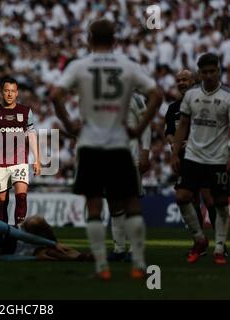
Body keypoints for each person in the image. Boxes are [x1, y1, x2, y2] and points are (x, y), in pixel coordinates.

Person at [50, 19, 163, 280]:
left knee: (94, 206)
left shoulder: (80, 66)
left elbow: (55, 94)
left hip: (90, 145)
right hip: (119, 145)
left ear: (89, 40)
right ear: (114, 40)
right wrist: (139, 128)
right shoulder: (127, 65)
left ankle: (102, 267)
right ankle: (137, 263)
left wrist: (70, 124)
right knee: (131, 202)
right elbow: (156, 94)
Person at [171, 53, 230, 265]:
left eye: (212, 71)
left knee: (221, 203)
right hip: (193, 156)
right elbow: (183, 125)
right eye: (204, 72)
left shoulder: (227, 96)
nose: (208, 75)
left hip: (218, 158)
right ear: (199, 73)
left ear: (218, 70)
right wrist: (175, 152)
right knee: (181, 197)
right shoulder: (191, 95)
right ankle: (199, 239)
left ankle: (220, 248)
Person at [0, 77, 40, 226]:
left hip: (20, 160)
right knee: (1, 201)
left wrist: (37, 159)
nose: (9, 94)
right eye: (6, 91)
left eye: (12, 91)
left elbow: (32, 136)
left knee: (21, 196)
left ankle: (19, 229)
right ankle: (4, 233)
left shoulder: (26, 112)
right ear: (1, 92)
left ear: (17, 93)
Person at [107, 93, 151, 262]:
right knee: (113, 203)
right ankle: (119, 249)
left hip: (129, 157)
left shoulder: (135, 97)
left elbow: (146, 124)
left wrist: (145, 150)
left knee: (131, 201)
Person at [0, 215, 93, 262]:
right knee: (48, 255)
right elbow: (6, 258)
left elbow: (21, 235)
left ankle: (56, 244)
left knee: (35, 221)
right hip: (18, 251)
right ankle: (82, 257)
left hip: (23, 236)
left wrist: (52, 242)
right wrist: (34, 258)